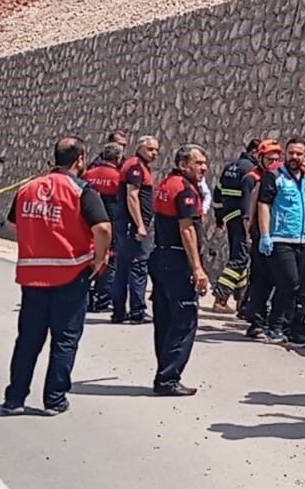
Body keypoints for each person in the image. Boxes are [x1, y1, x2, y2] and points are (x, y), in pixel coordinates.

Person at [2, 136, 112, 416]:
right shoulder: (81, 190)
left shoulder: (28, 188)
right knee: (64, 339)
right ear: (80, 160)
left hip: (32, 275)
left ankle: (15, 398)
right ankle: (54, 399)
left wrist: (36, 241)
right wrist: (98, 260)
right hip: (71, 273)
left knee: (28, 339)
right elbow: (102, 229)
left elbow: (12, 224)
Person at [150, 144, 213, 395]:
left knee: (164, 319)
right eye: (199, 163)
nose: (204, 167)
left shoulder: (166, 183)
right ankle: (168, 378)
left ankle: (163, 372)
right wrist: (197, 268)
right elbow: (187, 229)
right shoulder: (184, 190)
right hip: (177, 260)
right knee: (184, 320)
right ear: (183, 164)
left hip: (161, 256)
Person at [252, 137, 305, 347]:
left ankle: (288, 328)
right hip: (279, 238)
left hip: (302, 240)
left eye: (299, 154)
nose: (294, 157)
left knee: (299, 287)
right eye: (291, 153)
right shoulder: (274, 177)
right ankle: (274, 325)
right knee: (288, 282)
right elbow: (263, 205)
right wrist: (265, 235)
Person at [111, 135, 160, 324]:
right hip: (133, 225)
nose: (154, 153)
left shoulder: (138, 165)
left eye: (156, 150)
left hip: (128, 224)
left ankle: (119, 311)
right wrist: (140, 224)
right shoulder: (135, 167)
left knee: (123, 267)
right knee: (138, 265)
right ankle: (137, 311)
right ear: (140, 148)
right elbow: (132, 196)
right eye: (150, 149)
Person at [240, 138, 281, 336]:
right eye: (269, 158)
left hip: (277, 235)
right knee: (260, 279)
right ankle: (256, 321)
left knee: (272, 279)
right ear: (260, 158)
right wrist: (250, 234)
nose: (274, 162)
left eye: (276, 158)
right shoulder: (253, 178)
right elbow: (249, 209)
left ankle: (261, 317)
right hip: (260, 234)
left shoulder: (278, 177)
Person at [211, 140, 258, 311]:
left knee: (239, 256)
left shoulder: (230, 167)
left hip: (230, 216)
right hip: (242, 217)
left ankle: (240, 300)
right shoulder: (250, 171)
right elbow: (248, 198)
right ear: (254, 152)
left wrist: (218, 217)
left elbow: (217, 193)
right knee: (240, 259)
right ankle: (221, 297)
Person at [82, 141, 125, 314]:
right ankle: (102, 300)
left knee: (86, 259)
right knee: (110, 261)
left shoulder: (88, 174)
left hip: (86, 222)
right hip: (111, 222)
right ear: (118, 158)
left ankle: (86, 298)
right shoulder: (118, 177)